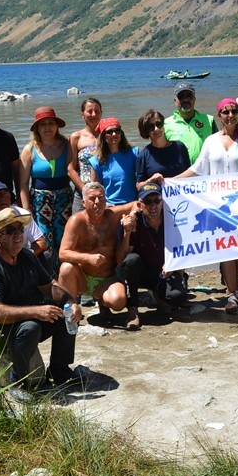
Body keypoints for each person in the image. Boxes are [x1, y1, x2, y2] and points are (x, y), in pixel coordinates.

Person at [0, 207, 81, 400]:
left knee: (65, 314)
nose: (19, 234)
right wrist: (36, 311)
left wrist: (70, 302)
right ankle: (18, 382)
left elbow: (50, 286)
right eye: (11, 231)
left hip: (22, 320)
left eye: (20, 229)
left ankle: (59, 370)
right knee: (31, 326)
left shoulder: (27, 257)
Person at [176, 98, 238, 312]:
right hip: (217, 205)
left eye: (234, 111)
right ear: (219, 116)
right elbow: (198, 168)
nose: (230, 115)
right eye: (226, 112)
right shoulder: (211, 141)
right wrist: (172, 180)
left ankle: (235, 291)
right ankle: (232, 293)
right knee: (225, 250)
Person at [58, 181, 133, 326]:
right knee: (66, 268)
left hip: (106, 278)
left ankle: (102, 302)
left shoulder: (112, 215)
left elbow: (136, 204)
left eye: (101, 198)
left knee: (118, 301)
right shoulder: (76, 221)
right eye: (92, 199)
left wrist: (131, 217)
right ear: (84, 202)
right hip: (82, 278)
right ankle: (71, 311)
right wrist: (87, 258)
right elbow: (63, 253)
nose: (97, 202)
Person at [117, 182, 189, 321]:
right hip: (140, 272)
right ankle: (133, 308)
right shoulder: (134, 222)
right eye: (148, 202)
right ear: (140, 204)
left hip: (162, 272)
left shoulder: (172, 220)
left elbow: (181, 251)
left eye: (157, 200)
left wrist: (172, 267)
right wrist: (126, 233)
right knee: (132, 260)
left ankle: (158, 293)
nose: (153, 206)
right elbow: (120, 261)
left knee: (177, 299)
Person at [18, 106, 74, 262]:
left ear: (57, 125)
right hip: (39, 203)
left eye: (51, 123)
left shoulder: (67, 145)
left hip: (65, 200)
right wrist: (26, 208)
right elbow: (23, 183)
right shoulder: (29, 150)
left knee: (65, 240)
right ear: (37, 128)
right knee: (42, 242)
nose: (47, 127)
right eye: (43, 124)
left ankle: (64, 277)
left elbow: (74, 172)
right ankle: (46, 279)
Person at [0, 181, 48, 274]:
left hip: (21, 258)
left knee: (46, 257)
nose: (3, 198)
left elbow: (41, 243)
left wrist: (25, 257)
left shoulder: (23, 214)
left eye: (6, 194)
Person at [88, 117, 140, 205]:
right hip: (110, 206)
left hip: (133, 204)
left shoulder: (134, 152)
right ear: (103, 136)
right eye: (109, 132)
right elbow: (94, 190)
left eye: (117, 130)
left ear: (121, 133)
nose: (114, 134)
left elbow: (141, 178)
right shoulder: (96, 161)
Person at [163, 82, 216, 164]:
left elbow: (219, 147)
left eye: (189, 96)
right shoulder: (165, 124)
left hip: (205, 173)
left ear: (194, 99)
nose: (185, 99)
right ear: (175, 101)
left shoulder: (209, 120)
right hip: (179, 174)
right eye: (181, 97)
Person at [134, 109, 190, 186]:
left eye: (159, 124)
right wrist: (150, 180)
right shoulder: (143, 156)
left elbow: (190, 173)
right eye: (151, 127)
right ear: (146, 131)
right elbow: (139, 186)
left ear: (163, 125)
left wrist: (174, 180)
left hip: (181, 196)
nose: (156, 129)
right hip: (158, 197)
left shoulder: (180, 147)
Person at [68, 97, 103, 213]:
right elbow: (70, 169)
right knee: (80, 226)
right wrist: (85, 190)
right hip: (82, 190)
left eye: (97, 111)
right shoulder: (76, 137)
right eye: (89, 111)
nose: (94, 114)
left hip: (105, 190)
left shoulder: (108, 135)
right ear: (82, 114)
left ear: (101, 113)